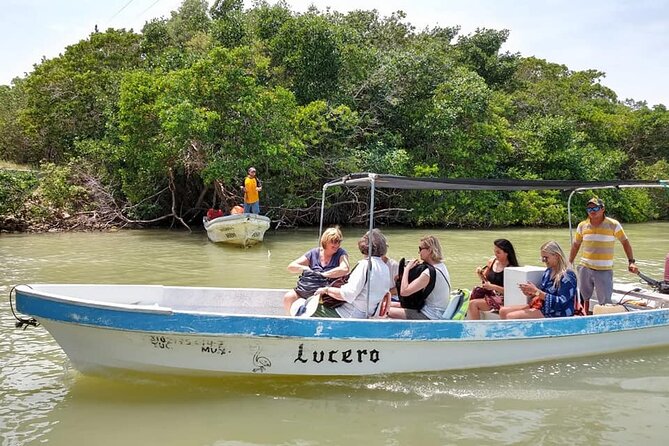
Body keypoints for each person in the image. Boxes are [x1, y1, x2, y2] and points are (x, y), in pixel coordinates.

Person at [568, 197, 638, 309]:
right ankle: (584, 316)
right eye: (589, 209)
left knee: (605, 302)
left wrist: (631, 262)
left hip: (604, 269)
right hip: (585, 267)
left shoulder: (613, 224)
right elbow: (576, 245)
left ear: (603, 209)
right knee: (584, 297)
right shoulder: (582, 225)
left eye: (595, 208)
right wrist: (569, 262)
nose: (592, 211)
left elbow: (625, 242)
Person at [313, 229, 392, 319]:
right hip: (367, 313)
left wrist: (326, 290)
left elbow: (348, 294)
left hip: (349, 314)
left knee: (308, 309)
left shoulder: (365, 265)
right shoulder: (385, 267)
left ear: (364, 246)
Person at [500, 240, 577, 320]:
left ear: (556, 256)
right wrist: (531, 292)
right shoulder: (548, 272)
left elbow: (562, 302)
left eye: (546, 258)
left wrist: (536, 291)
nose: (543, 261)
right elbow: (541, 293)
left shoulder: (567, 276)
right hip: (542, 307)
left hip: (558, 313)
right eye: (542, 258)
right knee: (503, 311)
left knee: (511, 317)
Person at [282, 226, 350, 313]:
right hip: (307, 289)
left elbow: (345, 269)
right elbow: (291, 267)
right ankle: (292, 321)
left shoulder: (341, 253)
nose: (337, 245)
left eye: (338, 242)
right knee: (288, 297)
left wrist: (324, 274)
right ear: (325, 242)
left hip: (326, 291)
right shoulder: (313, 253)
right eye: (333, 242)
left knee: (319, 302)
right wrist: (305, 268)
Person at [387, 235, 451, 320]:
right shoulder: (441, 266)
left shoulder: (428, 273)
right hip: (436, 311)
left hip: (431, 315)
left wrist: (407, 269)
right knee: (388, 304)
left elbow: (404, 292)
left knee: (386, 311)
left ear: (429, 250)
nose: (418, 252)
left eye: (420, 249)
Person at [467, 239, 520, 320]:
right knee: (468, 298)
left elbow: (511, 291)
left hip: (503, 299)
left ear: (507, 253)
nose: (495, 254)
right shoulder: (492, 262)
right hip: (490, 294)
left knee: (473, 304)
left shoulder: (511, 269)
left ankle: (475, 328)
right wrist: (480, 274)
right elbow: (486, 281)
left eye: (498, 252)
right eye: (495, 252)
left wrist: (493, 287)